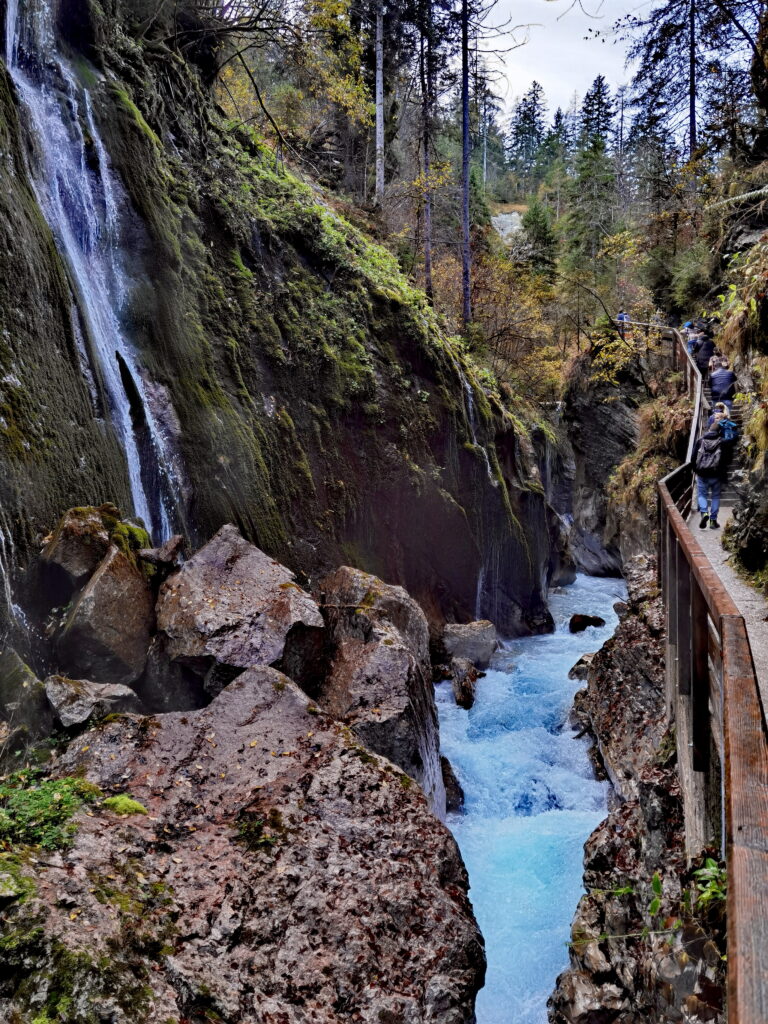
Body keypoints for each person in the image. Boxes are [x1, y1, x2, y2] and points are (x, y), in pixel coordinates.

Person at [692, 421, 725, 529]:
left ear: (709, 429)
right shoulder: (722, 442)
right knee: (715, 496)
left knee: (702, 495)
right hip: (716, 474)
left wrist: (695, 470)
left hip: (702, 473)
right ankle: (713, 521)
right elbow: (725, 460)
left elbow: (693, 457)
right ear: (719, 431)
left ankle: (704, 513)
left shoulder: (700, 440)